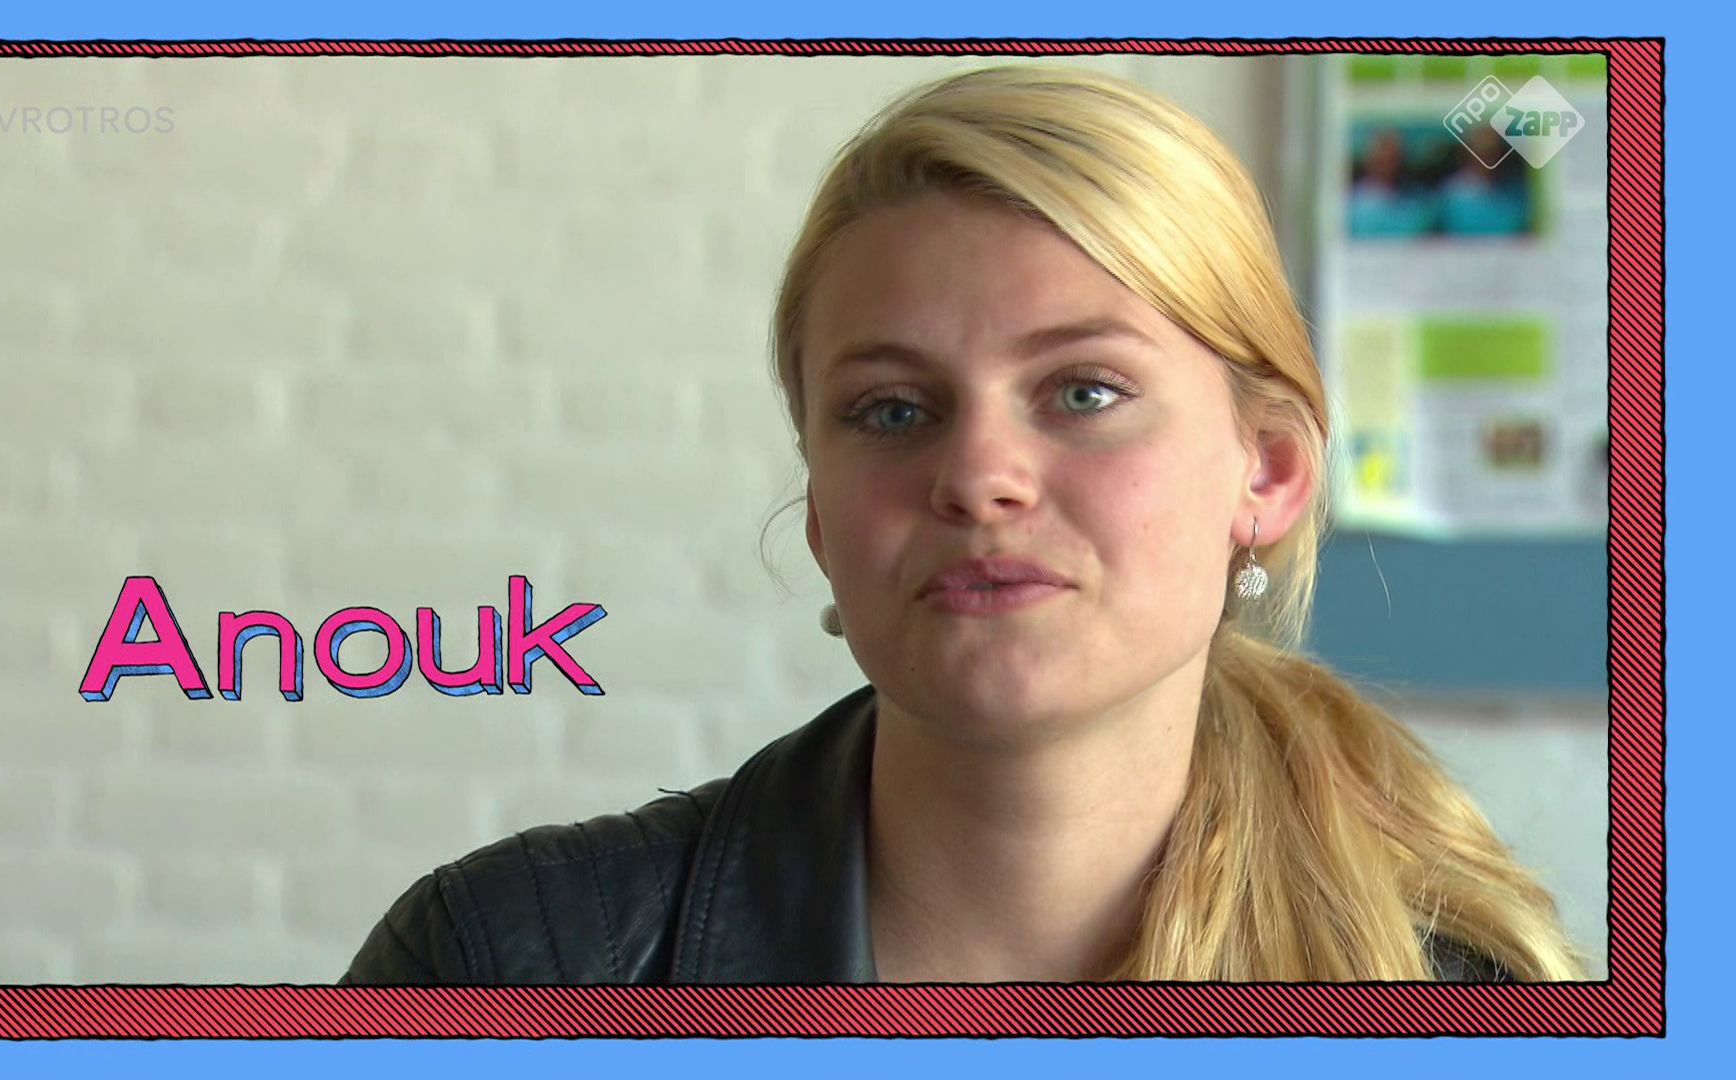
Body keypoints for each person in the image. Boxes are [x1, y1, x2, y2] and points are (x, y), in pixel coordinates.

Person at [340, 64, 1587, 984]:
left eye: (1084, 392)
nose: (979, 476)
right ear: (820, 516)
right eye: (892, 410)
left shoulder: (1469, 996)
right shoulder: (503, 965)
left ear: (1264, 470)